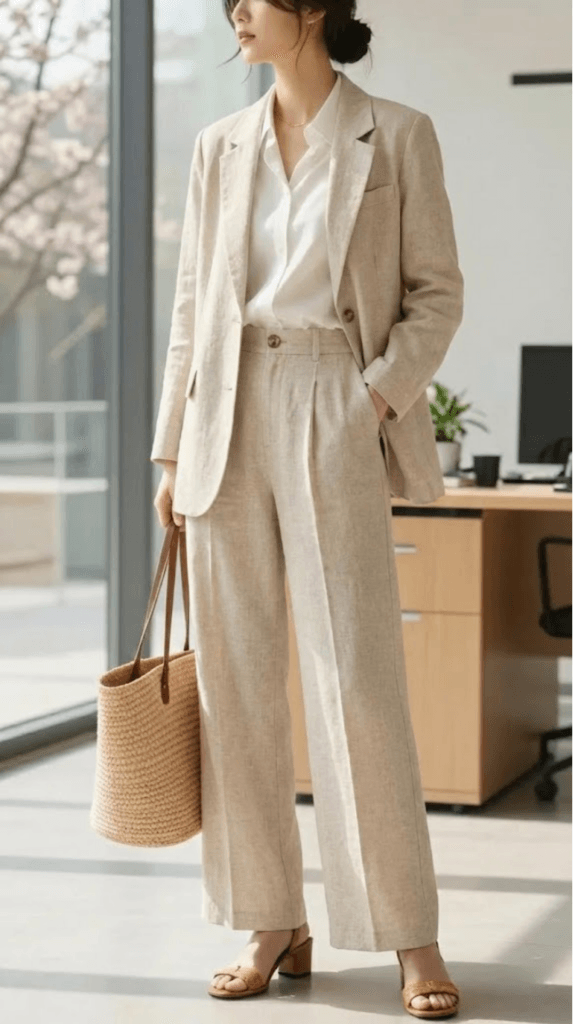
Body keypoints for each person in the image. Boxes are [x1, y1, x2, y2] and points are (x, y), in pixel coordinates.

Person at [152, 0, 464, 1015]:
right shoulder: (218, 144)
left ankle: (408, 933)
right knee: (235, 684)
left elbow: (436, 293)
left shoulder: (398, 134)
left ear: (314, 8)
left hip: (334, 394)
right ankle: (269, 916)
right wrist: (168, 449)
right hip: (225, 413)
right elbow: (195, 304)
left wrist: (371, 397)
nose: (235, 15)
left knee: (357, 678)